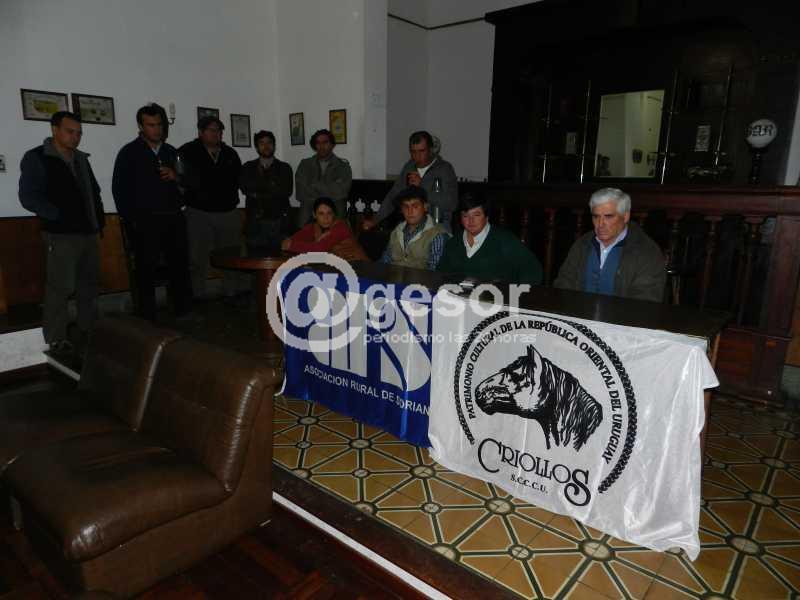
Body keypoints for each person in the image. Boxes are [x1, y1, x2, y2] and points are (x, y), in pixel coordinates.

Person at [18, 111, 105, 357]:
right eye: (70, 131)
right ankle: (56, 338)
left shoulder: (81, 159)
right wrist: (57, 216)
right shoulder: (37, 157)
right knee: (60, 288)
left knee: (88, 286)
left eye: (79, 133)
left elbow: (93, 192)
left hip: (88, 232)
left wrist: (98, 222)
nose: (76, 137)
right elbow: (28, 196)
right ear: (55, 130)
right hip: (61, 235)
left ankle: (89, 329)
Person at [112, 104, 192, 321]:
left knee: (179, 266)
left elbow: (189, 183)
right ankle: (147, 316)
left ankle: (182, 310)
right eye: (151, 125)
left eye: (159, 124)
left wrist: (176, 177)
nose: (157, 129)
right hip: (144, 221)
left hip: (173, 218)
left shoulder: (172, 152)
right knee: (145, 269)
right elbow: (119, 190)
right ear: (141, 126)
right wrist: (131, 220)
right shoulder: (129, 153)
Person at [554, 187, 666, 302]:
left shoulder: (647, 252)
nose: (600, 224)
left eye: (608, 216)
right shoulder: (582, 244)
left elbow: (645, 302)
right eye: (596, 216)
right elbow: (563, 286)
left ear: (625, 216)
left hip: (622, 314)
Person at [178, 115, 242, 300]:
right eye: (211, 130)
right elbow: (180, 179)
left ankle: (231, 291)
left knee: (231, 255)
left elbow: (238, 179)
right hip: (199, 212)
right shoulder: (187, 151)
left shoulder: (230, 153)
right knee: (197, 257)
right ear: (200, 132)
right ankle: (196, 294)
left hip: (228, 212)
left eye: (219, 130)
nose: (216, 134)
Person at [437, 193, 543, 285]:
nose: (471, 220)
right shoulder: (453, 243)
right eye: (465, 216)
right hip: (459, 297)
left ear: (487, 217)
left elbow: (533, 270)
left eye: (477, 215)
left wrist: (517, 295)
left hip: (497, 298)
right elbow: (441, 274)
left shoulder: (504, 240)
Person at [370, 130, 457, 232]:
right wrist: (376, 219)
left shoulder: (444, 169)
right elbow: (393, 195)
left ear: (430, 150)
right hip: (410, 224)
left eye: (422, 151)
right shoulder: (409, 167)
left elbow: (451, 204)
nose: (417, 156)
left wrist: (422, 185)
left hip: (437, 225)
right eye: (413, 152)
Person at [239, 130, 293, 251]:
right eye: (262, 143)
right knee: (254, 256)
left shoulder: (285, 168)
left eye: (269, 142)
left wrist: (257, 191)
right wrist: (272, 187)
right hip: (255, 223)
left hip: (280, 221)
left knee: (281, 258)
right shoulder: (248, 167)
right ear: (256, 147)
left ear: (274, 145)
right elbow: (245, 189)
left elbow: (286, 191)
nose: (266, 146)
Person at [380, 186, 449, 270]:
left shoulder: (437, 234)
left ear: (425, 207)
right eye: (406, 207)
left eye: (415, 206)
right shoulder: (396, 231)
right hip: (393, 276)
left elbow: (434, 270)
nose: (410, 211)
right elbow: (385, 261)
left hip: (422, 278)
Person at [294, 129, 352, 228]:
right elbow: (300, 193)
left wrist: (315, 185)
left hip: (335, 211)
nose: (322, 146)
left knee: (337, 233)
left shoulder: (343, 166)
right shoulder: (305, 165)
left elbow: (342, 191)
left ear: (332, 144)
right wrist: (330, 189)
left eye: (325, 142)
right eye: (318, 143)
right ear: (314, 145)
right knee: (304, 233)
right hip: (309, 212)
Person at [282, 197, 366, 262]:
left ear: (334, 214)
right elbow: (290, 241)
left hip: (357, 264)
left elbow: (319, 249)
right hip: (339, 267)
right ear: (314, 215)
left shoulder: (340, 227)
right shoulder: (312, 227)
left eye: (329, 213)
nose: (326, 218)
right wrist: (289, 243)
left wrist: (292, 245)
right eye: (321, 213)